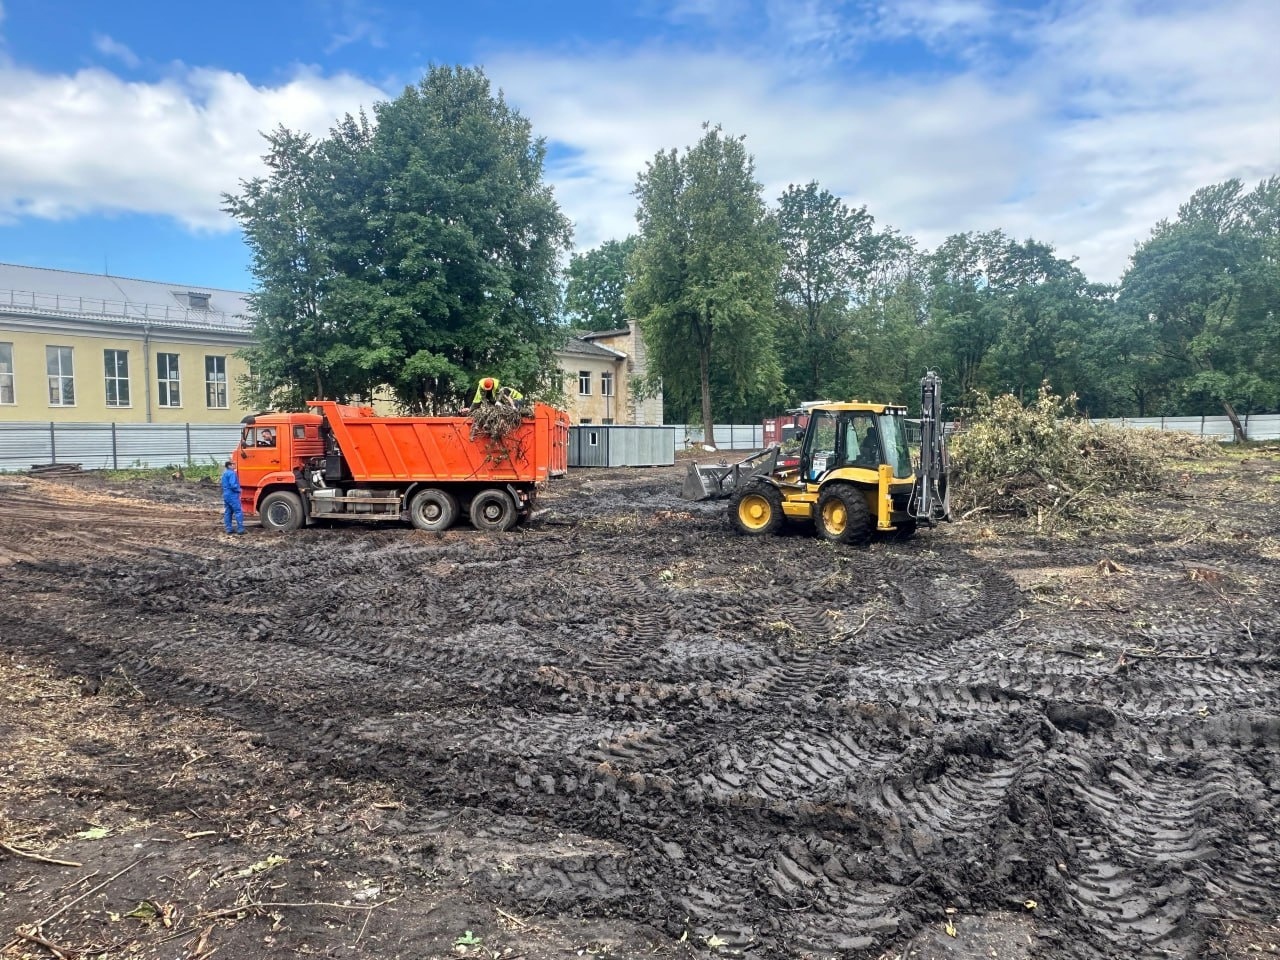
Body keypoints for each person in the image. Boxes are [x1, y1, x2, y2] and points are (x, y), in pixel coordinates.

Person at [221, 460, 246, 535]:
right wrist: (239, 490)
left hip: (226, 494)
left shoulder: (224, 473)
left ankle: (229, 529)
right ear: (229, 465)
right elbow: (233, 485)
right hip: (232, 495)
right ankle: (240, 529)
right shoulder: (232, 473)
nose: (234, 465)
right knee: (238, 511)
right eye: (233, 464)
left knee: (228, 512)